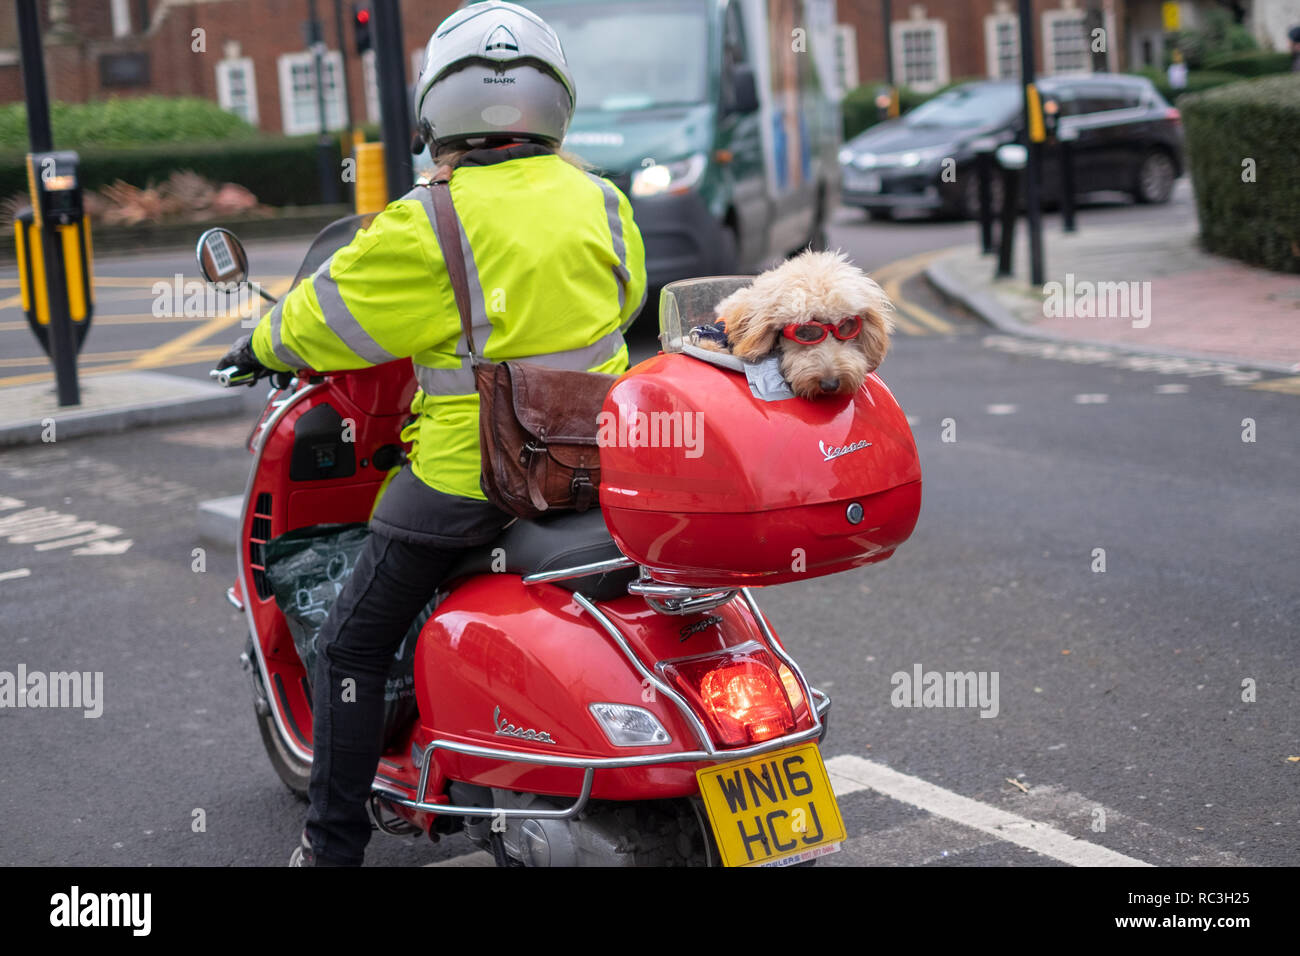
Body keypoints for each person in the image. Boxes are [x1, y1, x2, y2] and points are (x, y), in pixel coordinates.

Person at [216, 0, 646, 866]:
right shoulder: (602, 201)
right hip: (603, 466)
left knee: (350, 641)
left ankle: (331, 847)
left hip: (471, 478)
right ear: (552, 102)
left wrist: (256, 345)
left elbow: (321, 321)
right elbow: (628, 299)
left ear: (437, 109)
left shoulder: (427, 220)